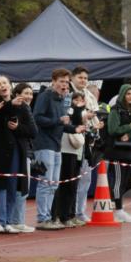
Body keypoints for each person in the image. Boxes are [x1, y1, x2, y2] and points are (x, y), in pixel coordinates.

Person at [0, 74, 36, 233]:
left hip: (15, 150)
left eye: (5, 83)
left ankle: (9, 221)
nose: (3, 86)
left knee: (12, 185)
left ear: (10, 86)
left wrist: (17, 128)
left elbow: (33, 131)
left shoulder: (22, 105)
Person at [32, 68, 77, 230]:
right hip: (44, 144)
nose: (64, 85)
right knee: (45, 182)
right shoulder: (45, 96)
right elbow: (37, 118)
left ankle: (48, 217)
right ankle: (43, 218)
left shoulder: (61, 100)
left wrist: (75, 129)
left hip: (56, 145)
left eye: (66, 82)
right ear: (53, 81)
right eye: (61, 81)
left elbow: (62, 124)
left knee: (54, 184)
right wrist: (58, 120)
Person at [105, 83, 131, 223]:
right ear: (122, 94)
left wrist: (130, 134)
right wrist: (129, 127)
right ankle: (118, 210)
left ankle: (119, 210)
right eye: (128, 94)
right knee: (118, 181)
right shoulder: (115, 110)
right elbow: (112, 129)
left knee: (124, 180)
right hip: (117, 152)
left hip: (129, 151)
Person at [71, 69, 102, 226]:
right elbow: (70, 115)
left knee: (85, 178)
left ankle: (80, 211)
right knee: (71, 178)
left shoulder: (89, 96)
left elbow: (93, 116)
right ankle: (69, 212)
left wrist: (96, 125)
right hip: (71, 141)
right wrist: (85, 117)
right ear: (73, 78)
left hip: (87, 141)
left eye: (85, 78)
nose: (83, 80)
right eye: (80, 77)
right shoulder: (69, 93)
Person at [53, 89, 87, 227]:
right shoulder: (65, 108)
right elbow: (68, 123)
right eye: (75, 99)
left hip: (77, 150)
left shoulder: (79, 111)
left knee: (72, 185)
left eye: (81, 100)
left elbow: (79, 125)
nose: (78, 102)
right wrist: (77, 109)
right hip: (64, 149)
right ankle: (58, 216)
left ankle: (68, 215)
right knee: (62, 185)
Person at [7, 82, 37, 233]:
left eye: (31, 94)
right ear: (17, 94)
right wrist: (20, 129)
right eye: (26, 93)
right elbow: (33, 131)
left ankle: (16, 220)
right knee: (21, 187)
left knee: (22, 187)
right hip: (20, 152)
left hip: (26, 151)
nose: (29, 96)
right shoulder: (21, 108)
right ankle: (16, 221)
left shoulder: (26, 108)